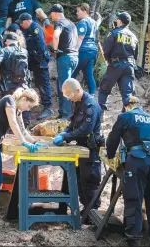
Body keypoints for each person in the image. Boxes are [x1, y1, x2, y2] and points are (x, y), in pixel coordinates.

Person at [0, 88, 47, 224]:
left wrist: (35, 142)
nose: (28, 109)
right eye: (29, 106)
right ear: (24, 99)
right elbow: (13, 123)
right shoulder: (9, 101)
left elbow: (22, 130)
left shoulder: (18, 110)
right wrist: (23, 143)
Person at [106, 96, 150, 247]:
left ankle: (134, 241)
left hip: (138, 160)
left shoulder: (126, 116)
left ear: (126, 106)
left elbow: (113, 138)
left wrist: (110, 156)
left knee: (134, 201)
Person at [52, 78, 103, 213]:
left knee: (89, 182)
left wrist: (66, 137)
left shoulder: (91, 105)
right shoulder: (79, 103)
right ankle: (86, 211)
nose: (69, 99)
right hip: (80, 148)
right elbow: (73, 124)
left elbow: (86, 129)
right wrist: (64, 133)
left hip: (91, 149)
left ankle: (93, 212)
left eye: (70, 95)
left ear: (78, 90)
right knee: (80, 181)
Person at [98, 12, 138, 116]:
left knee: (104, 89)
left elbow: (106, 50)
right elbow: (135, 55)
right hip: (129, 66)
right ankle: (128, 117)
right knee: (127, 94)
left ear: (120, 21)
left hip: (116, 65)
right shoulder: (134, 36)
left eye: (118, 19)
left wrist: (107, 60)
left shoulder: (114, 33)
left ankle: (100, 116)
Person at [16, 13, 54, 120]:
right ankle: (41, 103)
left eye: (22, 23)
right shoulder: (27, 30)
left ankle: (48, 107)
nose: (21, 25)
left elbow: (41, 46)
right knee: (38, 83)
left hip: (39, 61)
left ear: (28, 21)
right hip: (33, 61)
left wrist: (40, 59)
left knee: (43, 83)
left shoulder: (36, 29)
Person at [0, 33, 32, 126]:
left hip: (9, 83)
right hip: (23, 82)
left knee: (9, 103)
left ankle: (10, 126)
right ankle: (25, 123)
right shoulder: (24, 51)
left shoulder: (4, 50)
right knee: (24, 101)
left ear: (6, 41)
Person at [49, 4, 79, 119]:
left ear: (56, 13)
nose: (51, 17)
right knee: (63, 84)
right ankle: (63, 112)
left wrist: (55, 50)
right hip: (74, 57)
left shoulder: (60, 23)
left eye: (51, 14)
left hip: (65, 57)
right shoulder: (71, 24)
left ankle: (66, 114)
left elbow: (56, 36)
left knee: (65, 86)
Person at [72, 3, 102, 96]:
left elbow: (80, 38)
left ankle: (69, 93)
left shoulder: (83, 22)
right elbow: (97, 24)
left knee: (73, 72)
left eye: (78, 11)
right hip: (93, 50)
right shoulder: (92, 22)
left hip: (84, 50)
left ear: (85, 11)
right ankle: (92, 94)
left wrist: (75, 50)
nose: (77, 13)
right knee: (89, 74)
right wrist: (100, 19)